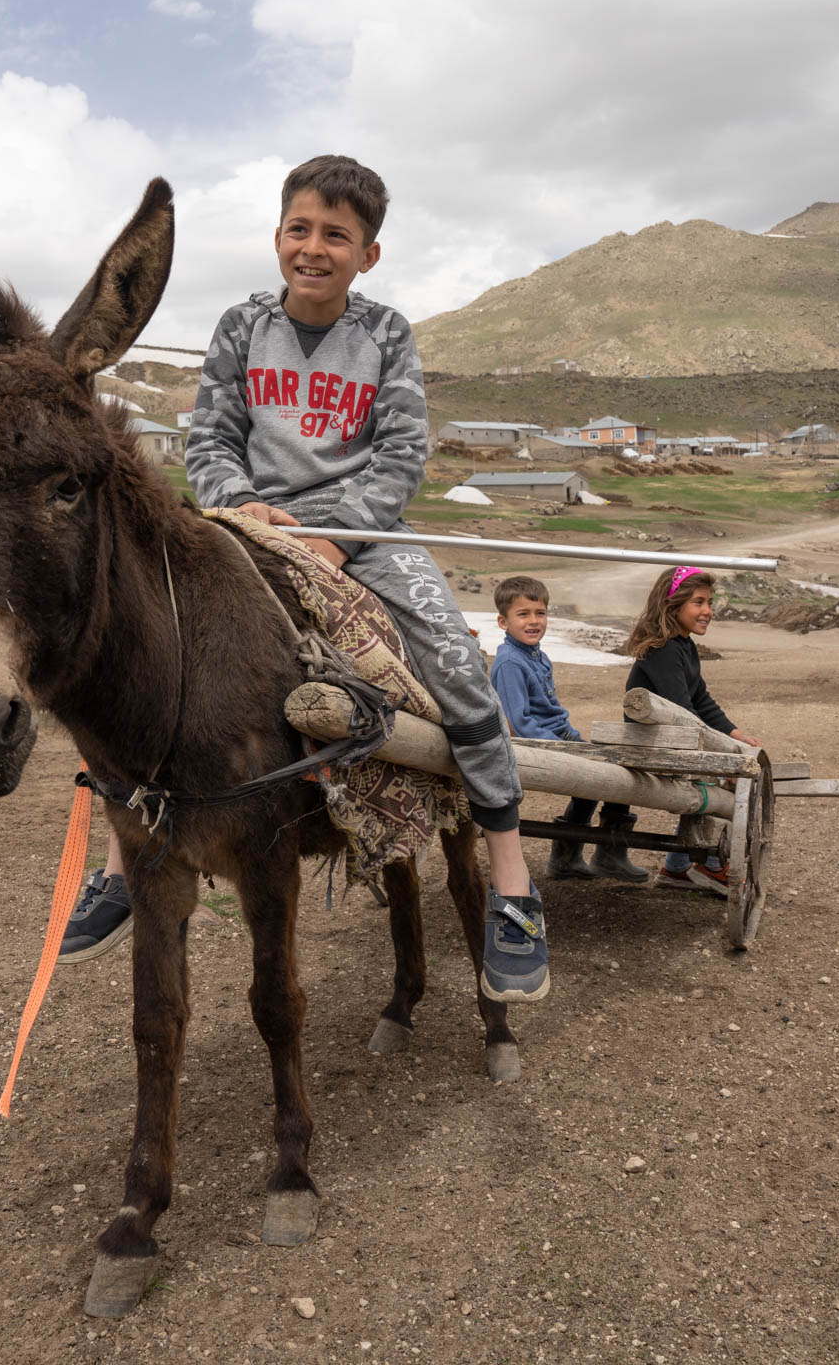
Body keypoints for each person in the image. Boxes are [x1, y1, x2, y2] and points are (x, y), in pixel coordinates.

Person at [59, 154, 546, 1005]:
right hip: (245, 523)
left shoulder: (386, 334)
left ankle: (511, 882)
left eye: (337, 235)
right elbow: (209, 439)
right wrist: (244, 506)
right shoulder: (241, 326)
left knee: (462, 671)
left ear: (368, 254)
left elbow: (400, 456)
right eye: (300, 229)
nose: (314, 248)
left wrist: (336, 537)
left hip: (364, 535)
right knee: (135, 643)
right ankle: (118, 866)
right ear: (278, 234)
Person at [490, 575, 648, 882]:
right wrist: (566, 747)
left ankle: (584, 857)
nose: (534, 621)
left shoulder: (537, 655)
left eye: (540, 613)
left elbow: (550, 712)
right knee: (607, 776)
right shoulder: (509, 662)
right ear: (502, 621)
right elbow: (520, 723)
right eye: (523, 614)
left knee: (617, 768)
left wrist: (573, 738)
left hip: (560, 737)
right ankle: (590, 855)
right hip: (539, 744)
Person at [624, 565, 762, 893]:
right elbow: (683, 711)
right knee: (724, 779)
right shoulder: (663, 649)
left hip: (675, 737)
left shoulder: (683, 645)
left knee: (730, 767)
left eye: (709, 603)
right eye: (698, 602)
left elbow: (701, 700)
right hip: (652, 743)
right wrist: (721, 757)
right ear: (673, 606)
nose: (707, 611)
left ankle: (677, 867)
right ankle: (710, 863)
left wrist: (735, 735)